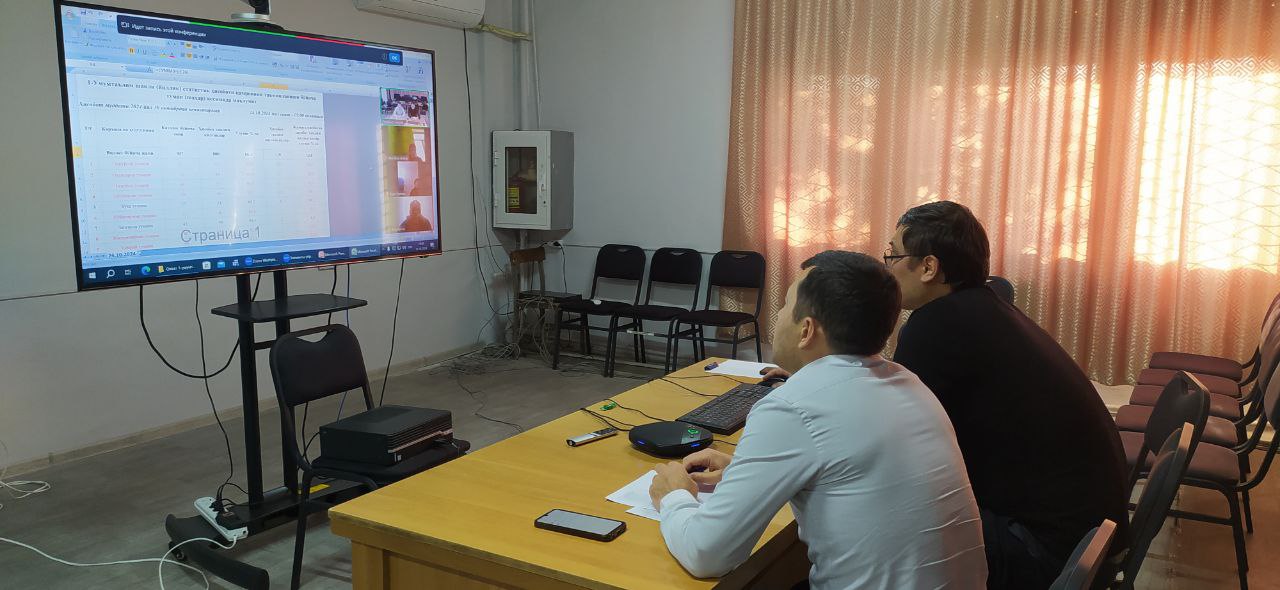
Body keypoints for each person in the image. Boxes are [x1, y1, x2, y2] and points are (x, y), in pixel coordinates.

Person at [767, 202, 1129, 588]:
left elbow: (878, 434)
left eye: (893, 255)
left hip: (1040, 550)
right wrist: (818, 381)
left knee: (866, 514)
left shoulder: (936, 325)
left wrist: (803, 401)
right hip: (1089, 539)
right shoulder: (984, 307)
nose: (886, 268)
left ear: (928, 267)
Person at [648, 251, 986, 589]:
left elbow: (706, 554)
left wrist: (674, 496)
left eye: (784, 306)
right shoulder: (910, 382)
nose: (779, 316)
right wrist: (744, 469)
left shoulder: (793, 405)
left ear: (806, 330)